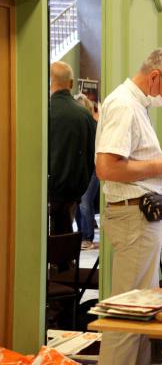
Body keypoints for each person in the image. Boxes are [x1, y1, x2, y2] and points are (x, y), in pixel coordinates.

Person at [95, 49, 162, 365]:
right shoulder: (124, 104)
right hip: (134, 215)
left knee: (142, 309)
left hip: (141, 215)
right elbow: (107, 168)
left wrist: (159, 164)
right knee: (128, 312)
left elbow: (131, 160)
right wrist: (160, 167)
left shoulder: (135, 104)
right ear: (153, 76)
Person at [48, 61, 96, 236]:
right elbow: (93, 155)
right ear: (71, 83)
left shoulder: (44, 112)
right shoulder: (84, 115)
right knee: (65, 233)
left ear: (49, 81)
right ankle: (66, 263)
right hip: (74, 191)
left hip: (47, 189)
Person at [74, 94, 99, 249]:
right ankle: (81, 233)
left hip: (93, 168)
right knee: (79, 202)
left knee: (84, 201)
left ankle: (87, 236)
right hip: (81, 169)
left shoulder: (93, 126)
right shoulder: (78, 125)